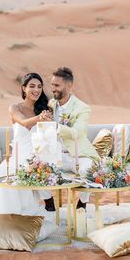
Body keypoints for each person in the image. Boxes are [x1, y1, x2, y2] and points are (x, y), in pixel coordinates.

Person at [0, 72, 55, 215]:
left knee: (31, 166)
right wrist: (40, 118)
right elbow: (23, 123)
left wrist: (49, 121)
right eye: (32, 86)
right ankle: (11, 215)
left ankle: (33, 210)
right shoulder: (15, 108)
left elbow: (50, 136)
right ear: (23, 88)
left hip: (40, 152)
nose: (36, 90)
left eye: (39, 86)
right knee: (3, 171)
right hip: (19, 152)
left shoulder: (46, 109)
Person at [49, 67, 101, 209]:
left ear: (69, 85)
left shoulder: (82, 108)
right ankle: (48, 202)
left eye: (57, 85)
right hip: (56, 156)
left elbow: (78, 132)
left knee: (89, 169)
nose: (53, 89)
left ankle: (82, 203)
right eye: (52, 85)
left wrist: (55, 128)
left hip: (77, 156)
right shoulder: (51, 104)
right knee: (34, 169)